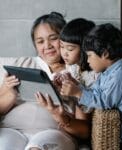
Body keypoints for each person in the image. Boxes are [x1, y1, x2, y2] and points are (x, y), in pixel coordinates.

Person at [0, 12, 89, 150]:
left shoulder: (77, 73)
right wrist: (10, 95)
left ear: (65, 39)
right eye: (40, 41)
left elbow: (84, 132)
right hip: (12, 130)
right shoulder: (22, 63)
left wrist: (61, 117)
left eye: (53, 38)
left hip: (53, 132)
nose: (47, 45)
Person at [60, 23, 122, 150]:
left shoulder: (119, 76)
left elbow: (103, 101)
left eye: (90, 55)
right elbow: (95, 93)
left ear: (105, 54)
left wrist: (78, 93)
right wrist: (76, 85)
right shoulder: (108, 73)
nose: (87, 61)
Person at [35, 18, 98, 148]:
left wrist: (75, 91)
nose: (64, 53)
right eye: (62, 46)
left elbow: (86, 108)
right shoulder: (73, 69)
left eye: (69, 48)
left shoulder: (92, 75)